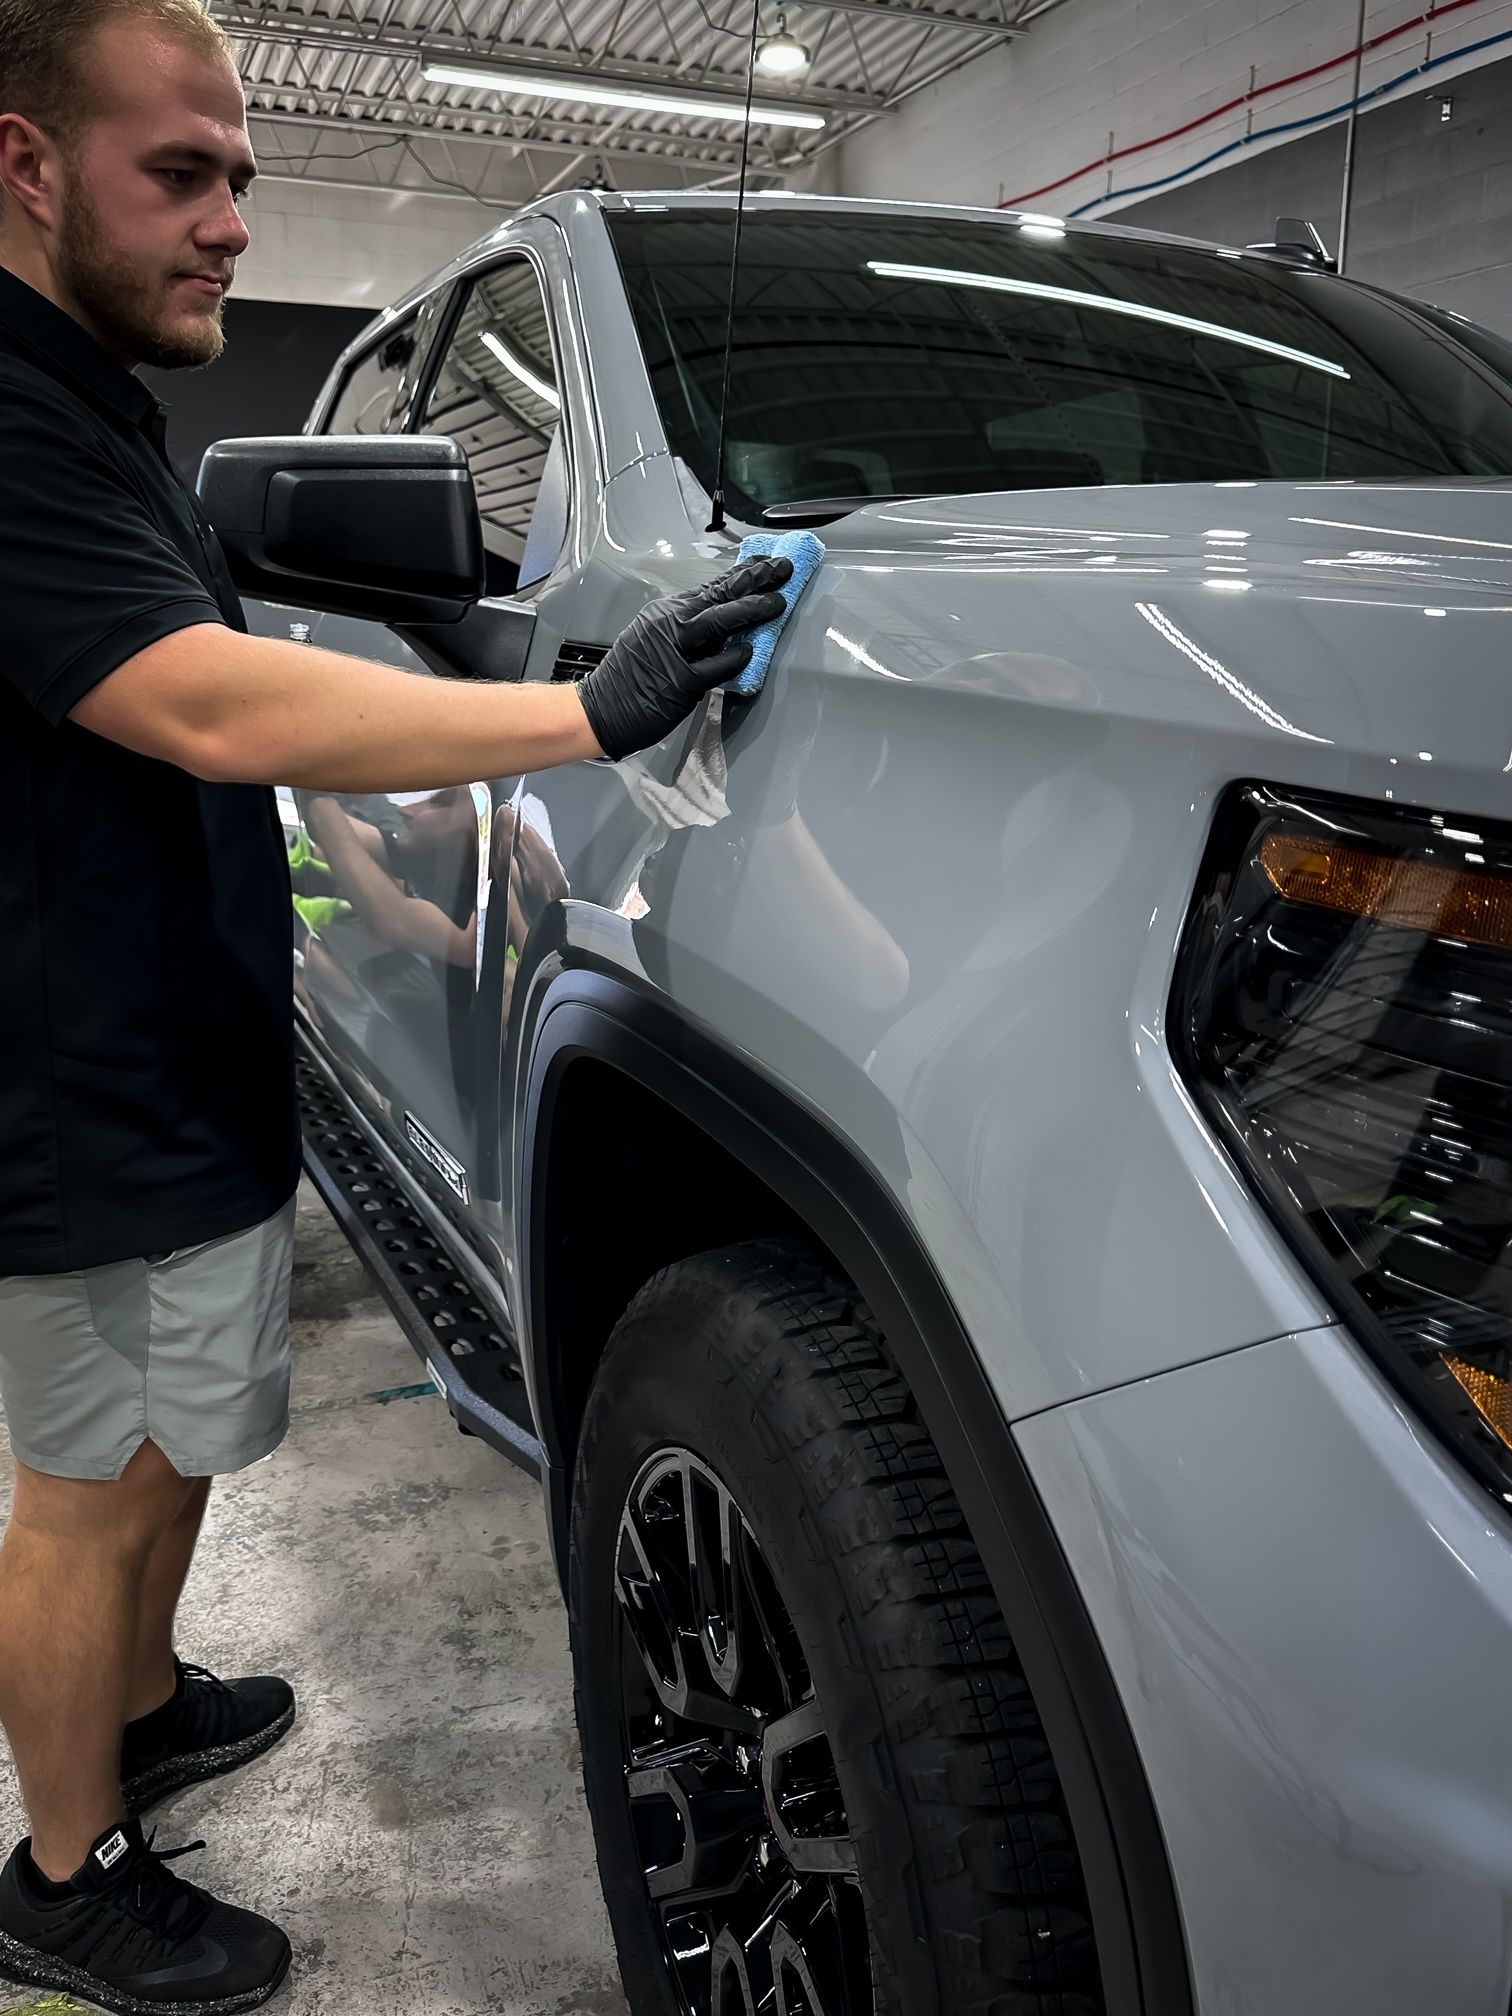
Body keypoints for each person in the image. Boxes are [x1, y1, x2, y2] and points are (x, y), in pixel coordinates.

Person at [0, 3, 791, 2008]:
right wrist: (591, 707)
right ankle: (65, 1865)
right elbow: (194, 697)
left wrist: (383, 894)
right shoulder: (5, 417)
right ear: (25, 169)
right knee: (89, 1490)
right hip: (75, 1082)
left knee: (172, 1444)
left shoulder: (88, 405)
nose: (231, 222)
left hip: (170, 1046)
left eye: (245, 177)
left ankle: (147, 1706)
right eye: (183, 171)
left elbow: (190, 730)